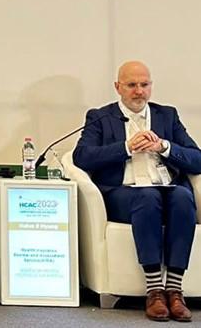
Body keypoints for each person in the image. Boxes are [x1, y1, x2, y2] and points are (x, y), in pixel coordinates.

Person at [73, 60, 201, 322]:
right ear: (118, 87)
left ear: (151, 86)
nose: (139, 91)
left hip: (166, 187)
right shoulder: (100, 117)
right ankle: (154, 291)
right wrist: (126, 147)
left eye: (144, 85)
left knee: (182, 196)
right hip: (124, 192)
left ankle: (174, 290)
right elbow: (82, 156)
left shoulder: (167, 115)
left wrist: (164, 147)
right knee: (147, 196)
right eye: (132, 85)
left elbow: (197, 159)